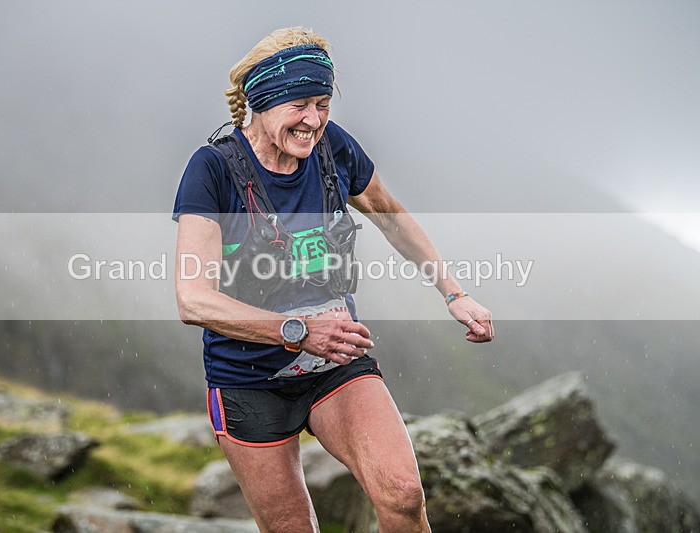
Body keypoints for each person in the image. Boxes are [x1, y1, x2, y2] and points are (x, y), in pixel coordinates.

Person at [173, 26, 493, 533]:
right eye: (300, 105)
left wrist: (454, 292)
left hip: (336, 360)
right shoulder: (212, 170)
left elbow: (388, 214)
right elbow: (194, 300)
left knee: (403, 494)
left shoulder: (332, 149)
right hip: (247, 380)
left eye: (323, 104)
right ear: (260, 102)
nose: (314, 120)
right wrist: (297, 330)